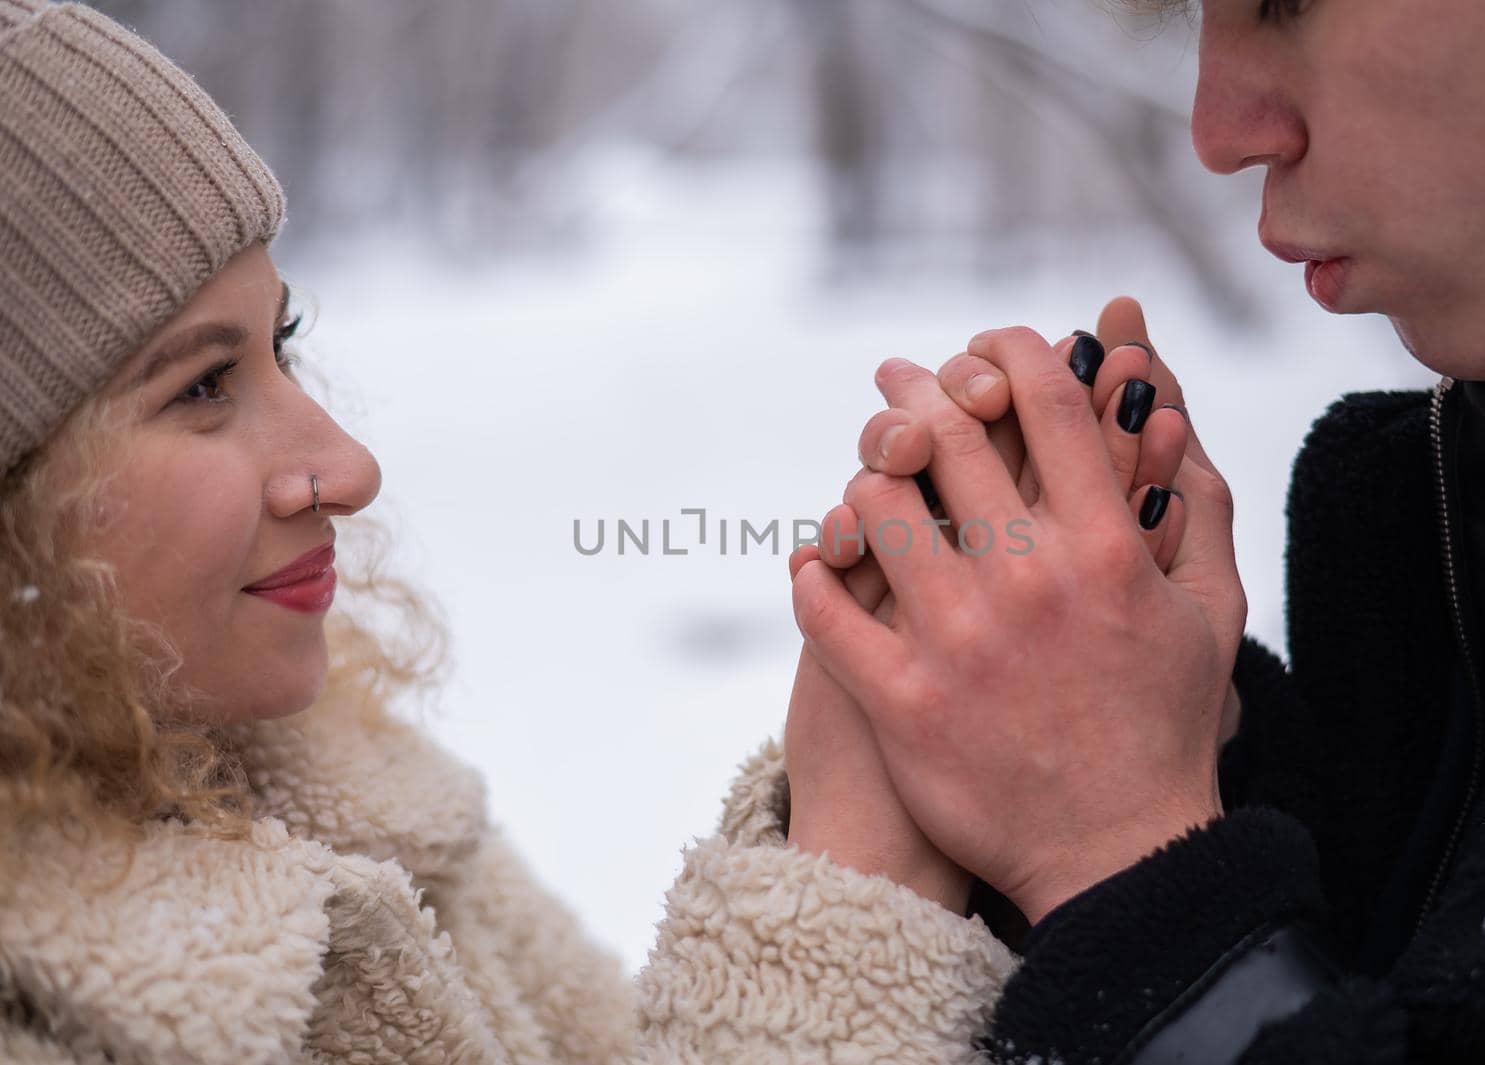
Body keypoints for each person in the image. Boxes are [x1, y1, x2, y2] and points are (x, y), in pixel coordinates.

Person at [0, 3, 1174, 1062]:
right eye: (203, 386)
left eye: (282, 342)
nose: (346, 469)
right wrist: (862, 867)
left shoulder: (318, 785)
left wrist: (866, 785)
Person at [782, 0, 1485, 1061]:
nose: (1214, 130)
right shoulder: (1450, 539)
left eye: (1283, 0)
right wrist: (1187, 749)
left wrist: (1119, 857)